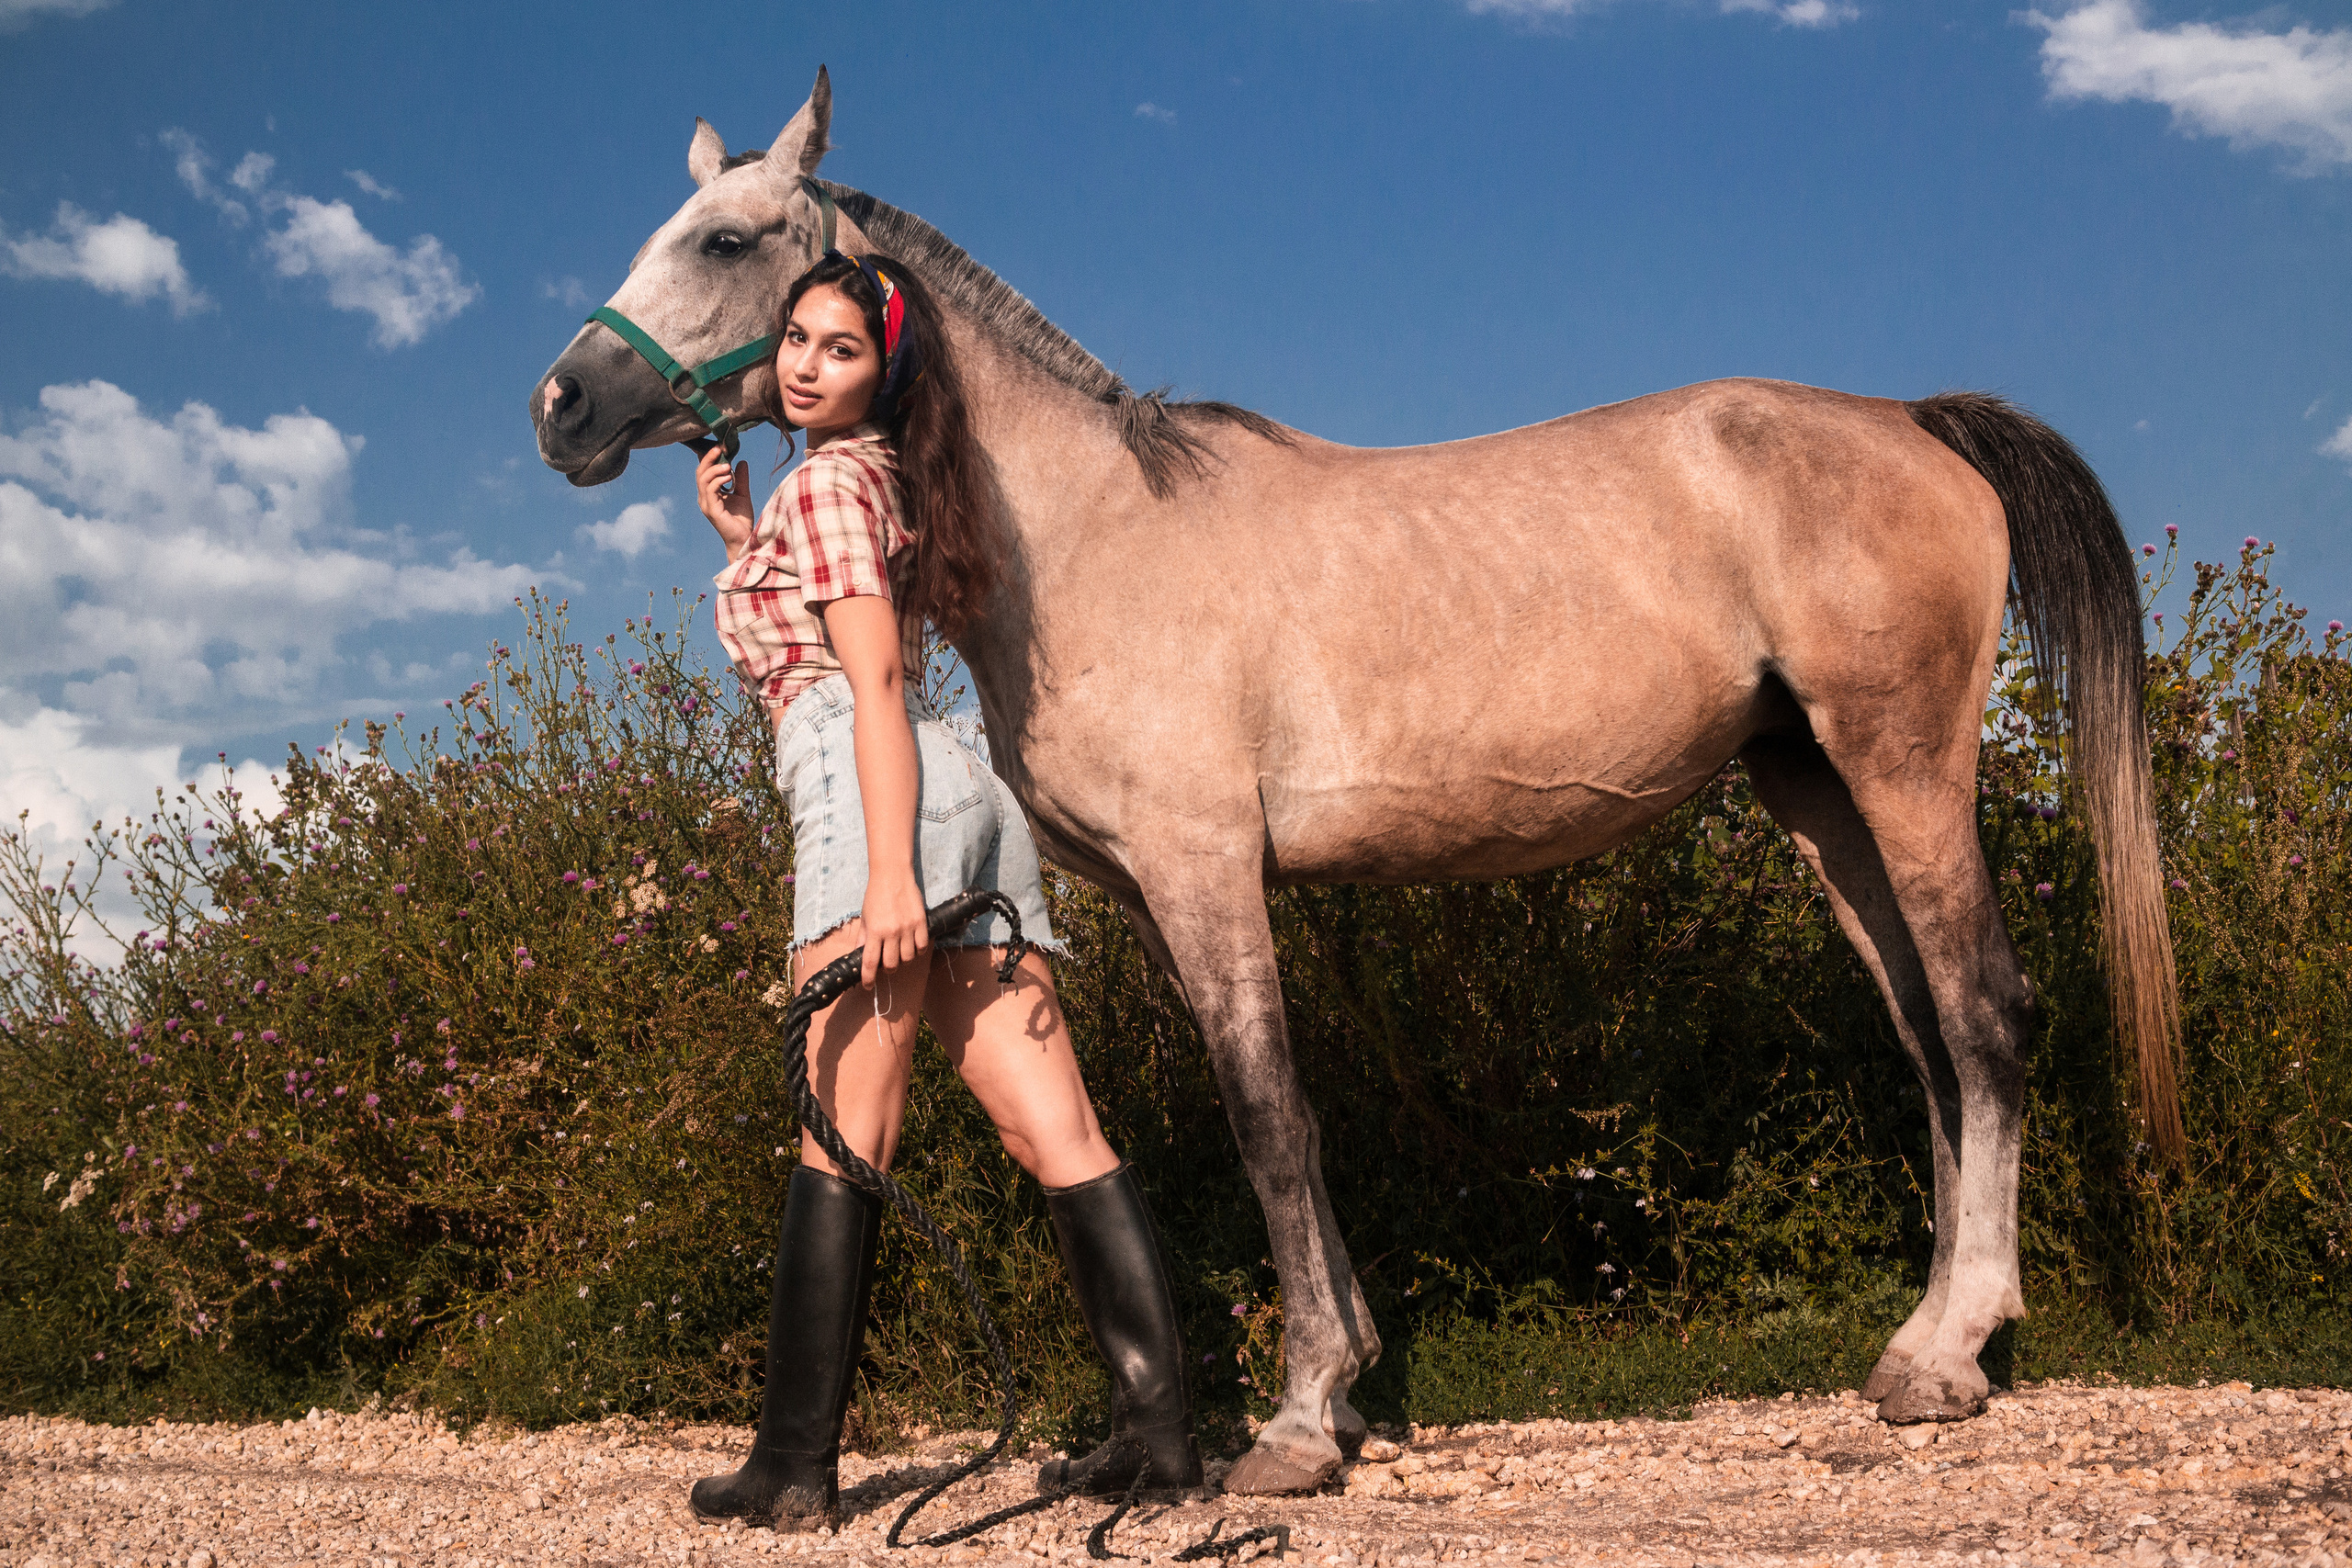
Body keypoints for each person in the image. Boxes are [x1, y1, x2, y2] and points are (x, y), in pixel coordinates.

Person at [684, 251, 1202, 1532]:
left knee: (843, 1132)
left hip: (880, 796)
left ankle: (792, 1469)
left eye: (839, 349)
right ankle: (1164, 1435)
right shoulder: (877, 483)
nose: (804, 364)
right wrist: (749, 546)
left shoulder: (827, 488)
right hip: (962, 790)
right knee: (1055, 1131)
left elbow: (862, 690)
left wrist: (889, 878)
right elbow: (849, 644)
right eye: (796, 340)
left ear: (885, 368)